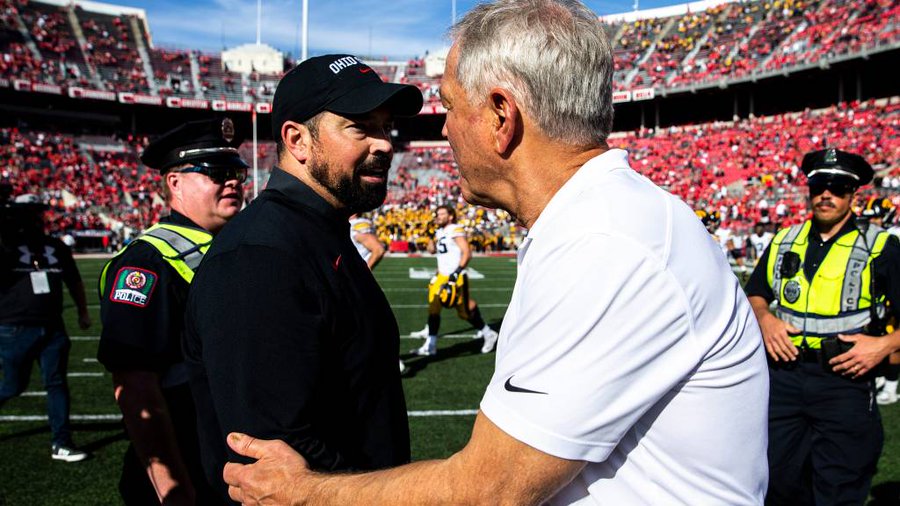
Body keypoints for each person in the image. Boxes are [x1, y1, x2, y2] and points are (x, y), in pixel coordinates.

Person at [222, 2, 769, 504]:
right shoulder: (598, 224)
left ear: (501, 117)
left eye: (450, 107)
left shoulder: (605, 243)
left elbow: (489, 490)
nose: (441, 129)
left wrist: (305, 493)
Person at [182, 54, 423, 501]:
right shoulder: (260, 257)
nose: (386, 144)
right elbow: (275, 458)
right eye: (361, 126)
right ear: (298, 140)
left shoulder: (317, 231)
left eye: (385, 127)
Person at [97, 118, 247, 504]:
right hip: (190, 468)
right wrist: (172, 488)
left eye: (236, 172)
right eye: (215, 172)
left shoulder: (230, 245)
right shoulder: (148, 261)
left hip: (231, 459)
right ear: (175, 182)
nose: (232, 182)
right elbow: (135, 385)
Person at [744, 148, 900, 505]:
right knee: (778, 481)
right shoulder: (784, 240)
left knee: (840, 486)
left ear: (853, 193)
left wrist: (882, 346)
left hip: (844, 380)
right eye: (819, 185)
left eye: (839, 186)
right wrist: (765, 320)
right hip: (783, 378)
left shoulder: (880, 246)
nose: (826, 193)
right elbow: (755, 293)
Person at [0, 192, 91, 462]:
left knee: (56, 383)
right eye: (28, 214)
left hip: (53, 325)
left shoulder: (55, 246)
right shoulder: (6, 245)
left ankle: (61, 442)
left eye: (36, 213)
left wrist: (83, 311)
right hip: (15, 326)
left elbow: (74, 281)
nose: (34, 219)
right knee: (13, 387)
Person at [411, 204, 498, 356]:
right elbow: (432, 251)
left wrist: (457, 272)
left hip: (455, 276)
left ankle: (488, 333)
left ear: (450, 216)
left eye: (441, 214)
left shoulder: (455, 229)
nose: (438, 216)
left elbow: (466, 252)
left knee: (464, 312)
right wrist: (430, 238)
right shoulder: (440, 231)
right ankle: (430, 345)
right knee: (433, 309)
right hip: (441, 276)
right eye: (437, 214)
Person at [349, 212, 407, 373]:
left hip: (357, 284)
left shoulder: (358, 225)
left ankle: (391, 360)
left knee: (365, 326)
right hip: (352, 284)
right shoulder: (355, 224)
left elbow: (378, 249)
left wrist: (363, 272)